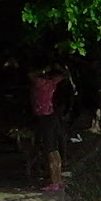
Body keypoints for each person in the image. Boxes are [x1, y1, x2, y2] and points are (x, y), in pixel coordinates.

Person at [28, 60, 71, 192]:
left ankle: (54, 181)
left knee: (50, 149)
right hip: (51, 115)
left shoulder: (39, 81)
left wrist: (43, 69)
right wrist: (58, 68)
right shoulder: (53, 81)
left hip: (45, 117)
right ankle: (57, 180)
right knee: (54, 149)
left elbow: (30, 75)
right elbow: (67, 74)